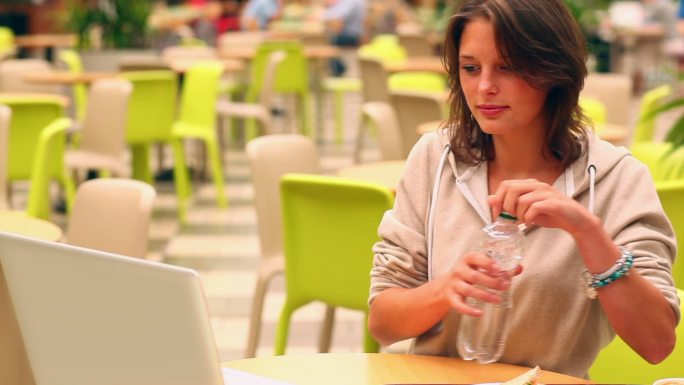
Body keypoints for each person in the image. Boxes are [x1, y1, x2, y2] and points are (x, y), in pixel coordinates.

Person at [367, 0, 679, 378]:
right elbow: (383, 324)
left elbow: (657, 344)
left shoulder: (616, 177)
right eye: (470, 68)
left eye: (508, 67)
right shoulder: (435, 158)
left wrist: (586, 231)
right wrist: (446, 289)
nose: (484, 87)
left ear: (554, 69)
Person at [323, 0, 365, 76]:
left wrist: (325, 18)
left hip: (349, 36)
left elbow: (338, 19)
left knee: (329, 41)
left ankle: (337, 73)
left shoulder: (351, 2)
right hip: (350, 36)